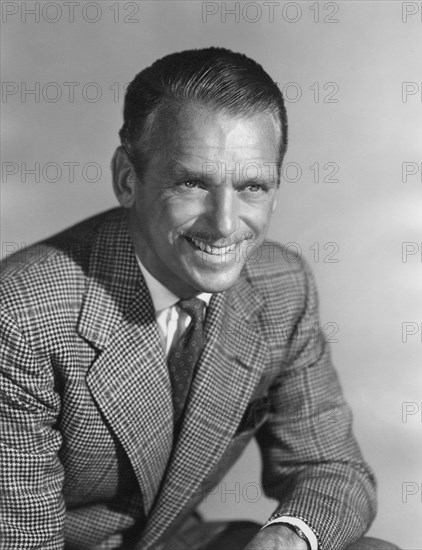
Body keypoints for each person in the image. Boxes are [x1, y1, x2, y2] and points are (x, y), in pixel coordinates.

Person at [0, 48, 399, 550]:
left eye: (252, 186)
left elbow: (330, 467)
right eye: (192, 183)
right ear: (128, 178)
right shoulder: (19, 312)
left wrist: (286, 538)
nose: (226, 224)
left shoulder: (283, 286)